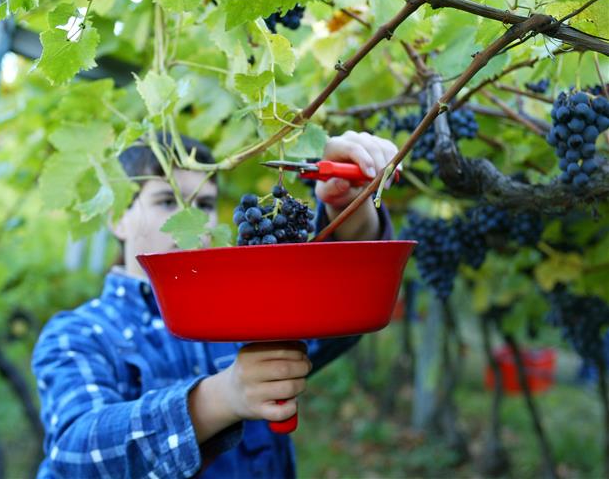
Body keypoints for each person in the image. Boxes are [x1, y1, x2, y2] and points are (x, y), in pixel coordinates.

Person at [31, 130, 397, 478]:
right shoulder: (80, 334)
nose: (191, 219)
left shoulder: (245, 307)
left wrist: (348, 208)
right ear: (117, 218)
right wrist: (221, 398)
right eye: (167, 199)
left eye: (204, 204)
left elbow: (333, 318)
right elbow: (73, 456)